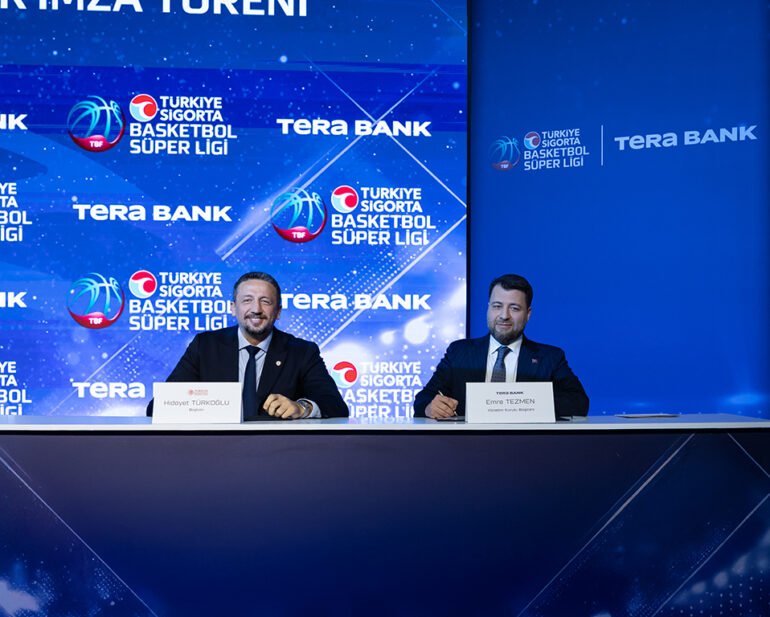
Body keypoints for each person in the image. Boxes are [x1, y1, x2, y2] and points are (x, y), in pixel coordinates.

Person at [147, 272, 348, 420]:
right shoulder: (205, 346)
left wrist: (302, 408)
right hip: (215, 451)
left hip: (279, 451)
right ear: (233, 308)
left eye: (265, 301)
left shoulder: (302, 352)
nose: (256, 309)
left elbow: (336, 406)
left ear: (278, 311)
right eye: (247, 300)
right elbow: (158, 407)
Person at [414, 274, 588, 418]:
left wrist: (523, 405)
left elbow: (579, 402)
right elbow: (423, 400)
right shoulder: (459, 352)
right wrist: (430, 408)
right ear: (488, 308)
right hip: (468, 444)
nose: (504, 315)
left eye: (514, 308)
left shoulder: (550, 357)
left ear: (528, 314)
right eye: (497, 306)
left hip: (529, 444)